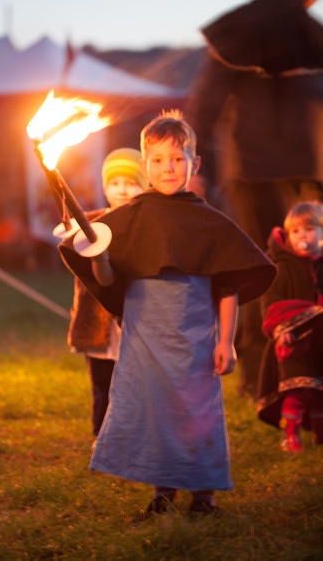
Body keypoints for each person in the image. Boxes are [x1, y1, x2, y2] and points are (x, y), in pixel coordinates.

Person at [59, 110, 276, 518]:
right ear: (145, 166)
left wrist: (227, 340)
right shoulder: (130, 218)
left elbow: (228, 285)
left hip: (195, 339)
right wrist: (100, 256)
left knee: (197, 413)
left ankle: (204, 496)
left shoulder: (209, 222)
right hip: (145, 340)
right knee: (156, 412)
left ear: (194, 163)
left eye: (178, 159)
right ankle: (163, 491)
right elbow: (107, 280)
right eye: (157, 160)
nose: (168, 168)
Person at [185, 0, 323, 400]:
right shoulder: (239, 31)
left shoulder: (311, 36)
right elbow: (203, 104)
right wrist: (193, 167)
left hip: (309, 176)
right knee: (266, 273)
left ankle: (311, 370)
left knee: (314, 272)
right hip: (254, 175)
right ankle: (259, 378)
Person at [60, 148, 149, 436]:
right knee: (102, 385)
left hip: (136, 320)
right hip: (98, 324)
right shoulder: (89, 224)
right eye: (114, 182)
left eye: (131, 182)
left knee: (138, 385)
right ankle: (102, 440)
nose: (122, 190)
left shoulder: (148, 224)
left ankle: (137, 438)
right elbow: (77, 264)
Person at [257, 201, 323, 452]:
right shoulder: (282, 266)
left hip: (319, 338)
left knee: (318, 390)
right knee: (299, 388)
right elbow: (271, 302)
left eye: (309, 229)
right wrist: (281, 328)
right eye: (296, 231)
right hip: (293, 339)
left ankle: (319, 434)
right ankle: (291, 434)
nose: (302, 235)